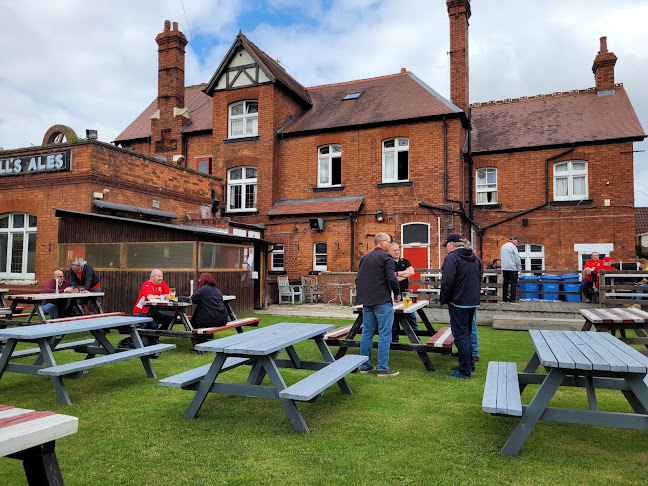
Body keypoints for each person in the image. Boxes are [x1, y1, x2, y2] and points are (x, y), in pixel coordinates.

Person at [356, 232, 401, 377]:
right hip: (382, 300)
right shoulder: (386, 257)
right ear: (382, 242)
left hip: (367, 301)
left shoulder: (365, 258)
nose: (390, 244)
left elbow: (358, 279)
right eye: (389, 241)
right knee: (384, 334)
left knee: (367, 333)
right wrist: (397, 293)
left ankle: (364, 366)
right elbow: (392, 278)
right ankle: (383, 368)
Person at [440, 234, 482, 379]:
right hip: (472, 301)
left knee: (460, 335)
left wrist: (444, 299)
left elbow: (447, 281)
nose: (446, 249)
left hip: (458, 301)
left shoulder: (452, 258)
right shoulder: (474, 258)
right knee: (468, 333)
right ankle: (469, 364)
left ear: (451, 244)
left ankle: (465, 371)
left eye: (446, 246)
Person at [189, 273, 229, 352]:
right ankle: (204, 341)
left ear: (203, 280)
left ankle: (199, 346)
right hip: (223, 319)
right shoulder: (216, 290)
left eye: (200, 279)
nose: (199, 280)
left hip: (211, 320)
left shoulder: (204, 289)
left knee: (192, 324)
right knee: (199, 311)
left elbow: (193, 298)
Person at [389, 242, 417, 342]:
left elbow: (411, 272)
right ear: (389, 251)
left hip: (406, 293)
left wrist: (395, 274)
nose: (397, 252)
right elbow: (389, 278)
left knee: (411, 316)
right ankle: (394, 341)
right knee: (394, 318)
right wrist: (405, 275)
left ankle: (416, 338)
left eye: (398, 250)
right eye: (394, 250)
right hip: (393, 294)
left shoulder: (405, 261)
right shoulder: (388, 262)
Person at [462, 238, 483, 363]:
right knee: (469, 326)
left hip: (466, 297)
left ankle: (473, 352)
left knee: (470, 326)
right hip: (473, 296)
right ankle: (469, 351)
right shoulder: (477, 260)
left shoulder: (472, 260)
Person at [500, 236, 521, 303]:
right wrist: (519, 268)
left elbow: (500, 256)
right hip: (513, 268)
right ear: (515, 240)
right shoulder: (513, 247)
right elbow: (517, 257)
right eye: (518, 241)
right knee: (513, 284)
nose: (517, 243)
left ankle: (504, 299)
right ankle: (512, 299)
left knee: (505, 284)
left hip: (504, 268)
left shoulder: (503, 246)